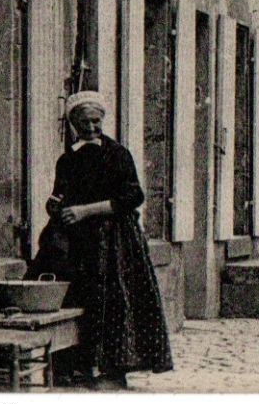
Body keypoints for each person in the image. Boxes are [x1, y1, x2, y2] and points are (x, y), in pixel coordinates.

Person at [33, 92, 171, 387]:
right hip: (79, 240)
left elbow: (133, 196)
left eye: (96, 122)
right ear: (73, 124)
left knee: (115, 301)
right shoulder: (67, 159)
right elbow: (60, 193)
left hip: (115, 240)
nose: (92, 128)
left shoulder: (117, 154)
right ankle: (72, 366)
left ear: (103, 120)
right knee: (73, 297)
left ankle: (114, 369)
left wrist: (86, 210)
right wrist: (55, 204)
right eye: (84, 123)